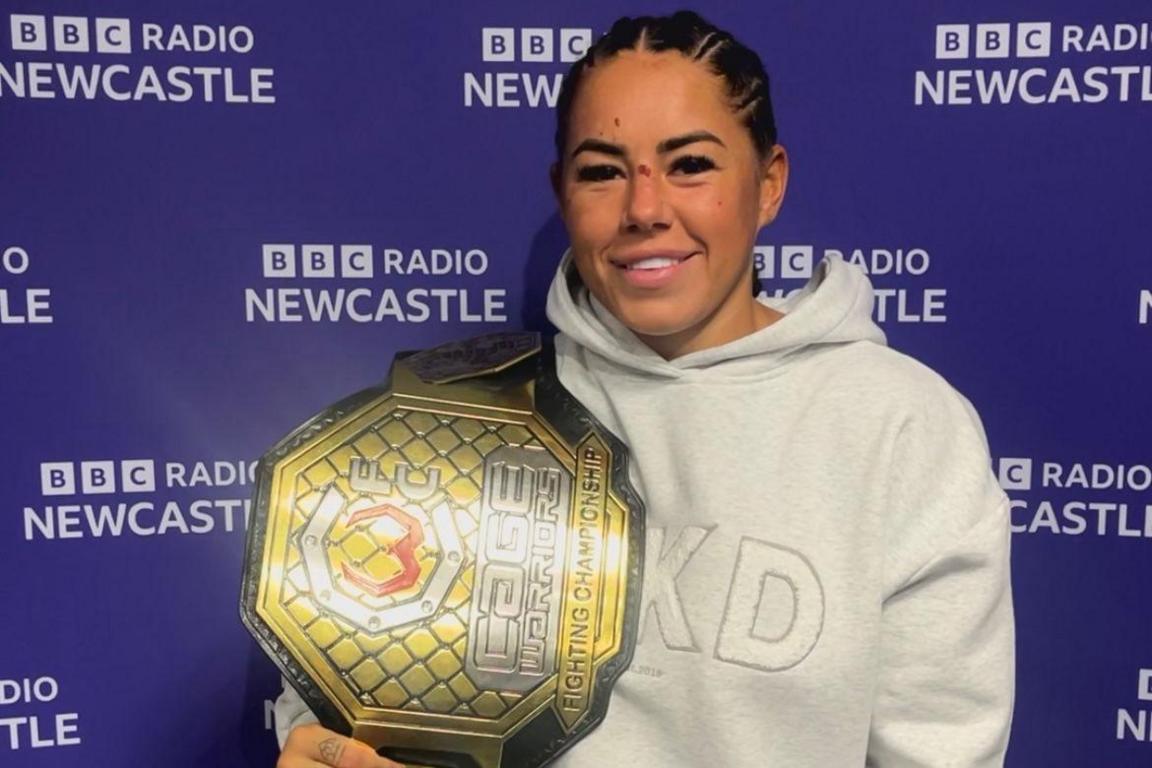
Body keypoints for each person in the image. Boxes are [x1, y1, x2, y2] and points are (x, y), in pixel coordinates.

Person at [273, 11, 1015, 767]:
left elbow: (942, 747)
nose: (646, 209)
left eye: (690, 164)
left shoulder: (902, 426)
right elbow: (343, 681)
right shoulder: (463, 412)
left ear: (768, 184)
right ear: (563, 192)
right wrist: (323, 742)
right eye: (602, 171)